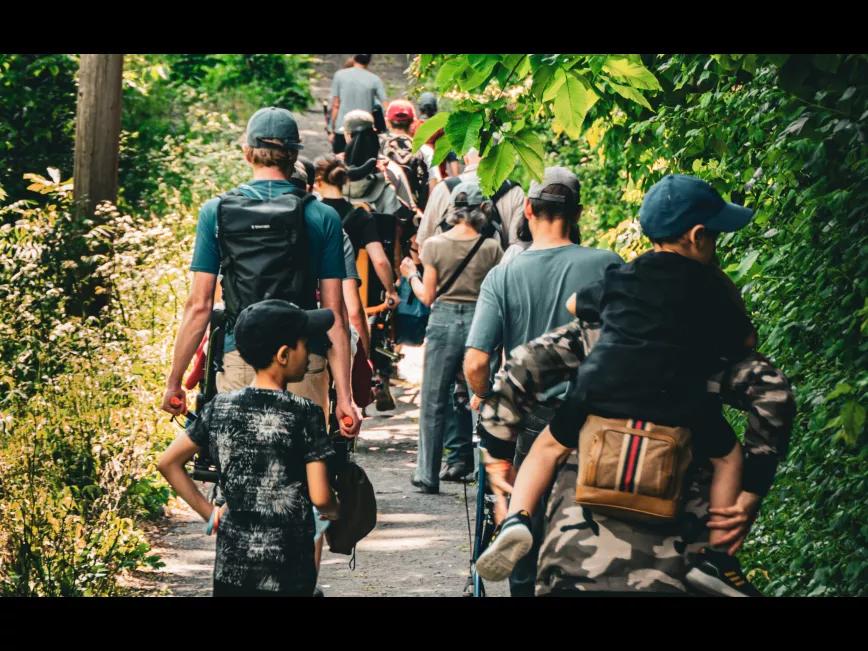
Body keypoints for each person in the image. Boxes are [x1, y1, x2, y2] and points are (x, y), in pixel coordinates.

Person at [476, 174, 795, 597]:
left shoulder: (614, 291)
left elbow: (519, 368)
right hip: (684, 420)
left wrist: (497, 455)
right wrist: (753, 489)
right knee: (728, 457)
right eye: (715, 237)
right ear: (699, 236)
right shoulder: (714, 295)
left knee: (547, 448)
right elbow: (771, 389)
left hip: (592, 409)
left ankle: (517, 518)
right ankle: (718, 558)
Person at [463, 167, 622, 596]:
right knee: (592, 534)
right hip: (594, 422)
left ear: (528, 210)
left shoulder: (503, 275)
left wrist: (485, 400)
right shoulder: (607, 265)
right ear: (578, 213)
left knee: (523, 532)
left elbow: (476, 361)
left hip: (527, 423)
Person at [161, 107, 360, 439]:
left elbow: (199, 306)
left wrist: (175, 381)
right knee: (305, 472)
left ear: (247, 152)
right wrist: (346, 397)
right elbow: (335, 314)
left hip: (240, 357)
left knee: (237, 468)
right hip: (303, 359)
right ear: (294, 154)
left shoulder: (216, 212)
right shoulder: (323, 216)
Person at [157, 300, 340, 597]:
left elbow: (168, 463)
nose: (309, 352)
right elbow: (320, 496)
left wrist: (211, 515)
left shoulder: (220, 407)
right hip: (289, 569)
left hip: (232, 567)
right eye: (305, 344)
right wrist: (334, 510)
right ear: (283, 355)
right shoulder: (305, 413)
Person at [399, 181, 503, 493]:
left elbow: (427, 297)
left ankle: (427, 474)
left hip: (443, 320)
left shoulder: (434, 245)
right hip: (479, 321)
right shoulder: (491, 249)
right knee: (480, 395)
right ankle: (484, 473)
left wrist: (411, 275)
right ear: (481, 211)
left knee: (433, 398)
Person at [314, 154, 399, 308]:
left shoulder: (311, 211)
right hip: (345, 292)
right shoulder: (360, 216)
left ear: (318, 182)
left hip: (313, 291)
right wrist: (391, 291)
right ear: (345, 181)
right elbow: (379, 261)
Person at [416, 148, 526, 250]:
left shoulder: (442, 189)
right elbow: (517, 247)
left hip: (448, 268)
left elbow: (423, 243)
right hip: (495, 266)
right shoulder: (514, 191)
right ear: (497, 158)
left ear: (466, 158)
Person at [328, 54, 386, 155]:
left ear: (354, 58)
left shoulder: (340, 75)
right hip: (365, 131)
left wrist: (331, 129)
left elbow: (336, 105)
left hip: (342, 128)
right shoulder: (375, 79)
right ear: (369, 60)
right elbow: (385, 105)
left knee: (341, 164)